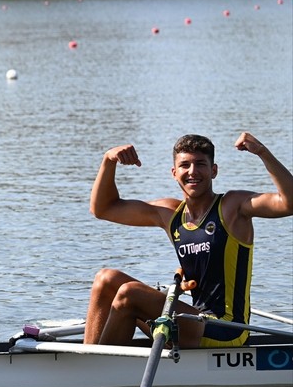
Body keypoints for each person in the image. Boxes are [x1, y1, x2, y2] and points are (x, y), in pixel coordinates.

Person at [84, 132, 292, 348]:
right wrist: (109, 160)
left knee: (130, 293)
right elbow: (102, 209)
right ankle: (86, 361)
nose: (192, 171)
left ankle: (94, 371)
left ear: (214, 171)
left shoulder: (233, 206)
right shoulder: (170, 213)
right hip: (193, 320)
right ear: (174, 173)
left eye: (200, 164)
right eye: (185, 165)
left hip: (228, 329)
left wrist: (262, 152)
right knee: (106, 279)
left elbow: (289, 203)